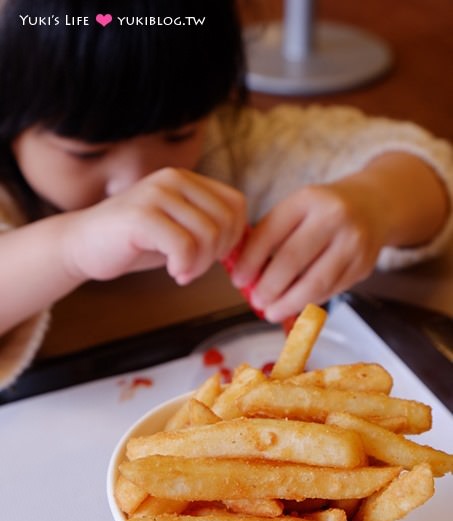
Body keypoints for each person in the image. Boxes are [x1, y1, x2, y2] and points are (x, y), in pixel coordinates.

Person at [0, 0, 452, 390]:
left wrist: (376, 203)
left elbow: (429, 165)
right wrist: (69, 249)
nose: (138, 180)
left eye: (179, 134)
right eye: (87, 152)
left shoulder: (231, 145)